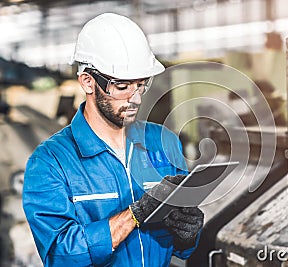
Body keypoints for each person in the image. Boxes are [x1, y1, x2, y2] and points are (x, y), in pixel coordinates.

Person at [22, 13, 204, 267]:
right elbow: (60, 256)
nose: (136, 98)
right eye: (123, 86)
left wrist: (188, 235)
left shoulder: (163, 141)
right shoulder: (50, 162)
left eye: (141, 85)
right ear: (88, 82)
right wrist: (133, 215)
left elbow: (181, 249)